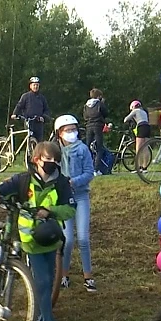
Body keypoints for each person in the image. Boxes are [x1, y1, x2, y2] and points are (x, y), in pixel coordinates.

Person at [0, 141, 76, 321]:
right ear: (36, 159)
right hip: (30, 240)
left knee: (49, 280)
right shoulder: (23, 180)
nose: (52, 163)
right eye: (47, 160)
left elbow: (70, 209)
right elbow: (1, 187)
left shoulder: (62, 183)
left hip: (51, 239)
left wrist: (50, 212)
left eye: (55, 160)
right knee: (41, 282)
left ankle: (42, 315)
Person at [54, 115, 96, 292]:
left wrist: (74, 181)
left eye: (74, 129)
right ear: (59, 134)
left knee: (83, 238)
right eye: (67, 130)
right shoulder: (55, 151)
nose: (72, 133)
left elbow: (89, 173)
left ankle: (88, 276)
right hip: (63, 200)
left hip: (80, 197)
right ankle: (63, 275)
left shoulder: (83, 149)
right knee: (67, 240)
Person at [12, 76, 51, 141]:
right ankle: (29, 150)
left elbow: (46, 109)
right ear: (30, 86)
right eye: (34, 85)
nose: (35, 87)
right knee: (29, 139)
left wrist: (44, 117)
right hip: (29, 122)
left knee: (39, 141)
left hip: (39, 123)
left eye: (37, 85)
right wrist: (14, 114)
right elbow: (19, 106)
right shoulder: (25, 96)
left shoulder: (42, 98)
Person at [83, 88, 108, 175]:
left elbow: (85, 116)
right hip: (98, 126)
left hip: (89, 126)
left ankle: (86, 168)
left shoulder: (86, 105)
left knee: (87, 148)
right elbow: (105, 113)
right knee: (99, 148)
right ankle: (96, 169)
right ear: (98, 96)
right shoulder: (99, 104)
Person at [124, 100, 151, 172]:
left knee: (138, 148)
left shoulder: (135, 111)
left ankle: (138, 167)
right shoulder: (143, 111)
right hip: (147, 127)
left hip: (141, 127)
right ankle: (145, 167)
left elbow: (126, 119)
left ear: (133, 107)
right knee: (145, 148)